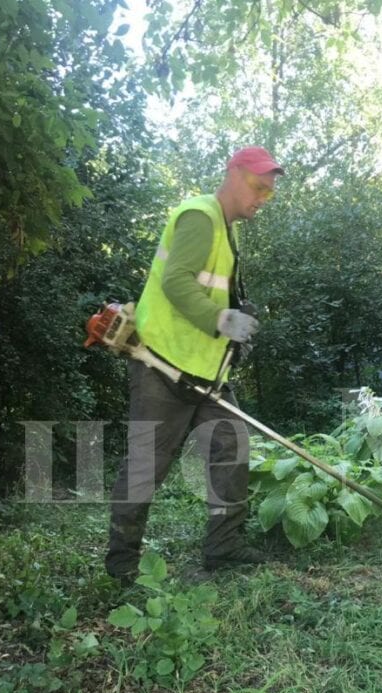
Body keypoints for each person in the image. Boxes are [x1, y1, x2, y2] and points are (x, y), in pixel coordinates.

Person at [106, 146, 284, 586]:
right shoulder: (199, 216)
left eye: (269, 192)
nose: (262, 197)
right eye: (258, 186)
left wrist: (233, 311)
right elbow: (176, 281)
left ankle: (223, 547)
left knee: (231, 449)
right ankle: (121, 567)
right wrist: (220, 319)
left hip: (206, 374)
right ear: (234, 173)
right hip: (161, 367)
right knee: (147, 464)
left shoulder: (228, 231)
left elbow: (209, 289)